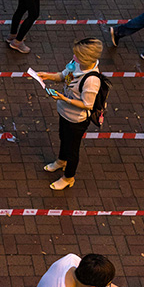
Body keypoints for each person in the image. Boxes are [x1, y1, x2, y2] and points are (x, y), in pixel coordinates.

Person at [37, 38, 104, 191]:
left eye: (77, 56)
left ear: (86, 58)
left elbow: (87, 104)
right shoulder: (77, 64)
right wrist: (48, 76)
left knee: (73, 148)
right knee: (63, 137)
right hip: (64, 112)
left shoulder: (92, 80)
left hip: (77, 120)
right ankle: (61, 160)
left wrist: (64, 98)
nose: (74, 58)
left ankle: (68, 177)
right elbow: (63, 76)